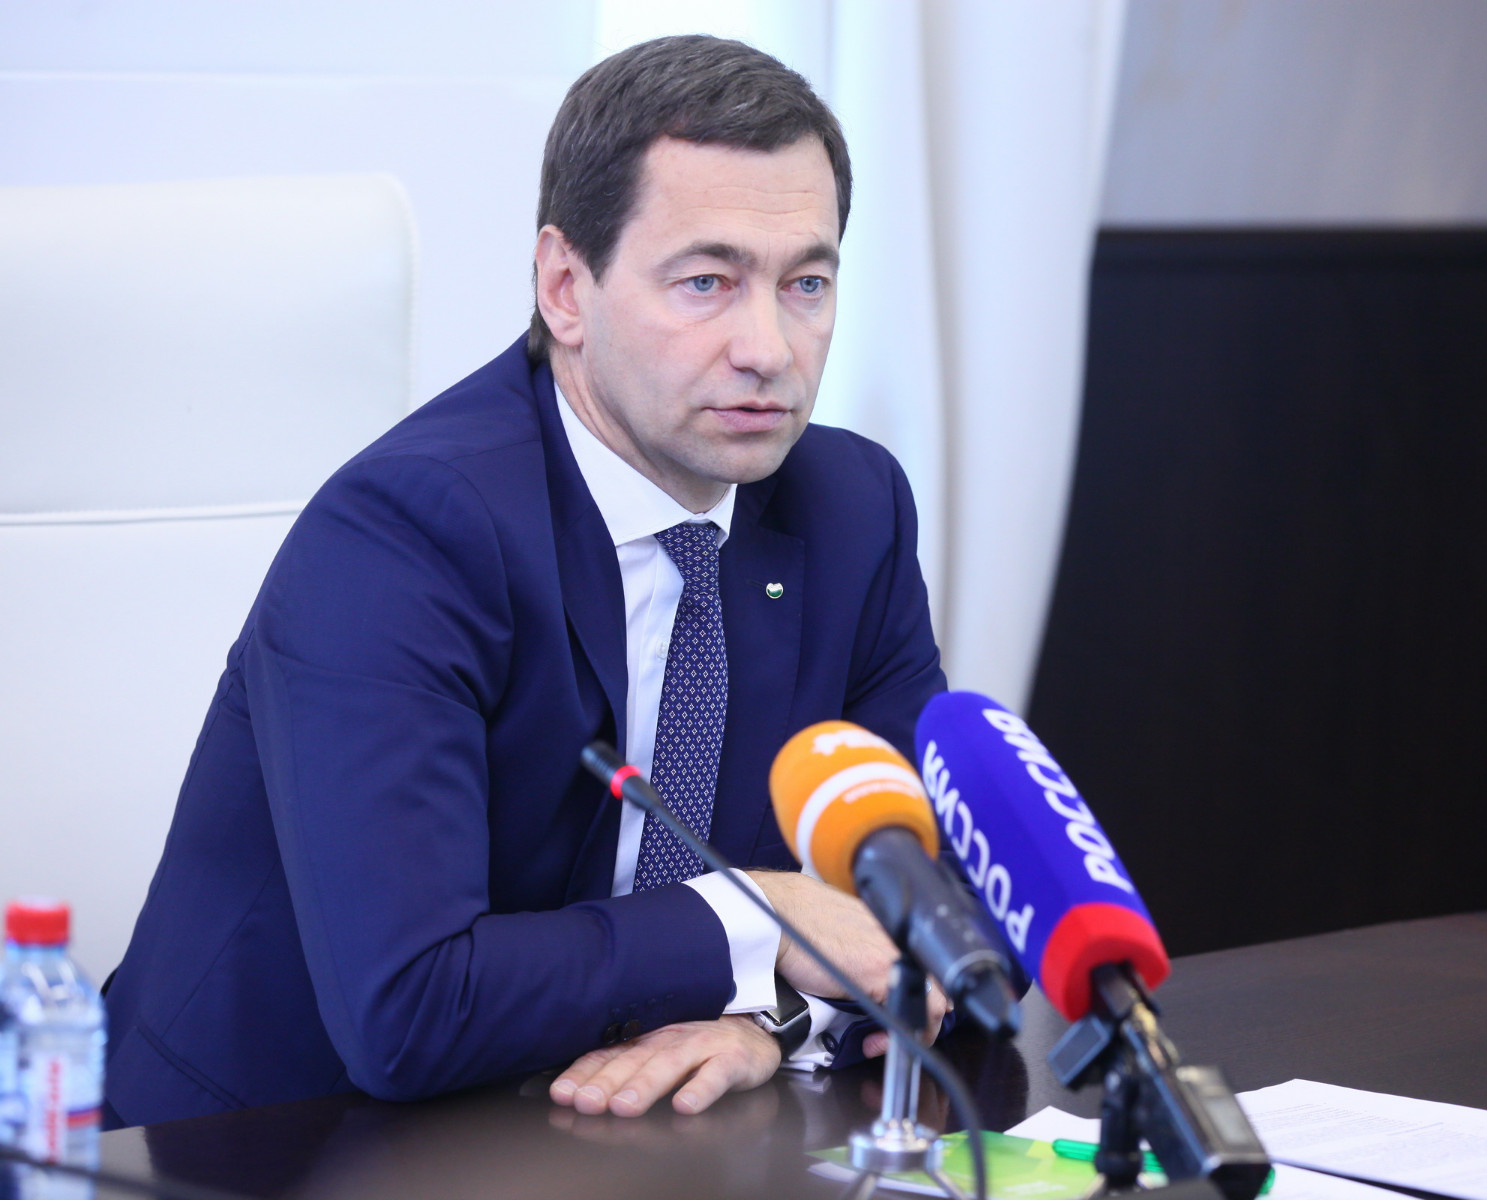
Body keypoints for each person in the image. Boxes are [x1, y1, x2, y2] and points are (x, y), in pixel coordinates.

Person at [102, 34, 953, 1130]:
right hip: (269, 1144)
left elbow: (952, 914)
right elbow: (410, 1009)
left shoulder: (851, 509)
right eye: (706, 282)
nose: (769, 347)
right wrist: (758, 920)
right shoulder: (406, 533)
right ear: (564, 288)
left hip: (612, 1137)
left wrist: (775, 1017)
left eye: (807, 284)